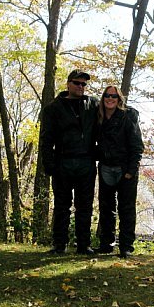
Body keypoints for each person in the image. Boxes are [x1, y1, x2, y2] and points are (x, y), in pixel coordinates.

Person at [41, 69, 98, 255]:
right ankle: (60, 245)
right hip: (62, 163)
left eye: (84, 84)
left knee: (85, 206)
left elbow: (113, 111)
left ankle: (83, 245)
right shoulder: (53, 109)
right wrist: (48, 165)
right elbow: (46, 139)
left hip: (86, 163)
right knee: (61, 206)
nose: (81, 87)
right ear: (68, 83)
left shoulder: (92, 105)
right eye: (77, 83)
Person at [95, 85, 144, 258]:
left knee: (126, 209)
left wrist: (131, 171)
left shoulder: (128, 116)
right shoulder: (98, 117)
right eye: (107, 95)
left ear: (119, 99)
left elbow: (137, 146)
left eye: (114, 96)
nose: (110, 99)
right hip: (106, 168)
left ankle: (126, 247)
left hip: (125, 170)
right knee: (106, 208)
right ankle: (106, 245)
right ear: (103, 98)